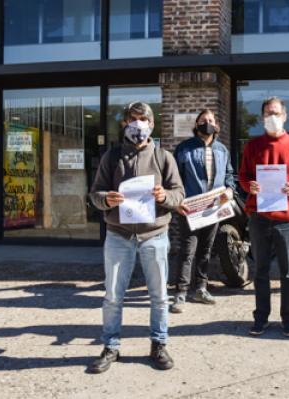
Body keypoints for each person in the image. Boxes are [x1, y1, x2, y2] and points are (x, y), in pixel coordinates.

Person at [88, 101, 185, 373]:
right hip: (119, 235)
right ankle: (110, 346)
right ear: (124, 124)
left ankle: (159, 343)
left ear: (152, 124)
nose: (138, 124)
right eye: (132, 118)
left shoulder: (164, 157)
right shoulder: (112, 157)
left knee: (159, 296)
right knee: (113, 296)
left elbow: (179, 194)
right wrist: (106, 199)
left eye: (143, 119)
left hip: (154, 235)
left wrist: (165, 196)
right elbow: (94, 194)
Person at [239, 96, 289, 337]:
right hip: (260, 217)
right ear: (262, 118)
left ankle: (288, 319)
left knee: (288, 271)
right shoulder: (252, 146)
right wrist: (249, 186)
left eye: (276, 113)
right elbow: (243, 176)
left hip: (286, 218)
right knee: (260, 270)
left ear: (285, 116)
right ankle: (261, 318)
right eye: (268, 114)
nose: (272, 117)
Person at [170, 109, 235, 313]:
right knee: (187, 250)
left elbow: (229, 175)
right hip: (190, 207)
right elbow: (174, 179)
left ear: (216, 125)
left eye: (210, 120)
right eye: (203, 120)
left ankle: (201, 288)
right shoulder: (184, 148)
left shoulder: (222, 150)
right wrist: (178, 201)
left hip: (214, 208)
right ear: (196, 124)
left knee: (206, 250)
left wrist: (230, 190)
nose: (207, 123)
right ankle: (180, 292)